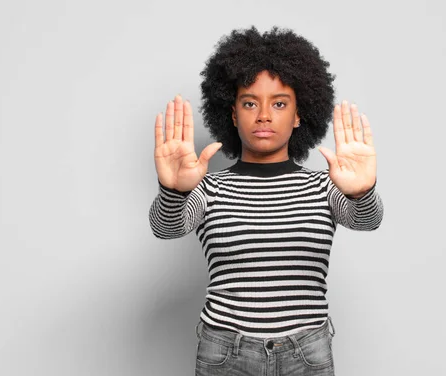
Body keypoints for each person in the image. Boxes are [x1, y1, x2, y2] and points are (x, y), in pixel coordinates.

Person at [149, 25, 383, 376]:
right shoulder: (210, 189)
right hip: (226, 355)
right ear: (232, 113)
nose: (263, 115)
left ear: (299, 114)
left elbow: (367, 220)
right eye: (249, 102)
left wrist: (362, 190)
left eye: (279, 103)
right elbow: (165, 227)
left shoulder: (324, 186)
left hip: (307, 353)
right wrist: (174, 190)